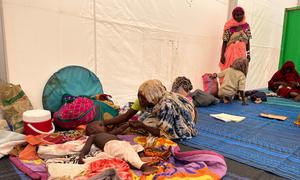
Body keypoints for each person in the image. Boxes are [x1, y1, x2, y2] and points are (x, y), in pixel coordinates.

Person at [103, 79, 197, 140]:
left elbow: (166, 134)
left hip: (184, 121)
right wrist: (103, 123)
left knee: (147, 129)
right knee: (141, 122)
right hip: (171, 113)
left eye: (143, 99)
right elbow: (126, 116)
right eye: (139, 97)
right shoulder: (147, 99)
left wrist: (143, 126)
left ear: (152, 98)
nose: (140, 101)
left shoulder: (166, 106)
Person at [78, 129, 157, 175]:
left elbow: (119, 129)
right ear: (91, 130)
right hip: (112, 146)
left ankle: (141, 158)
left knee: (137, 147)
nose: (103, 126)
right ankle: (144, 167)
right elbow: (86, 147)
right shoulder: (93, 136)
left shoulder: (108, 134)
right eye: (100, 125)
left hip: (124, 144)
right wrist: (81, 156)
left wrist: (127, 125)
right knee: (126, 153)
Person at [220, 7, 252, 73]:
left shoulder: (246, 26)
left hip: (241, 53)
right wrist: (222, 55)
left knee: (240, 72)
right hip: (230, 52)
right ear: (233, 16)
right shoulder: (229, 26)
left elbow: (248, 41)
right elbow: (225, 42)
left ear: (243, 15)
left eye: (241, 14)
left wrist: (248, 54)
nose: (239, 16)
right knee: (229, 71)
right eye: (237, 15)